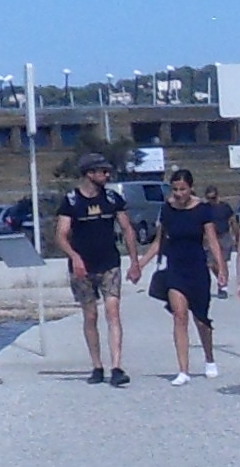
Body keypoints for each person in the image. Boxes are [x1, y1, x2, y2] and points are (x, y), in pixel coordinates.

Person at [55, 153, 142, 385]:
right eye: (102, 171)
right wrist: (74, 257)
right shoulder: (72, 201)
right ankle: (97, 365)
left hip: (109, 263)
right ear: (89, 174)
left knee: (113, 311)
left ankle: (117, 366)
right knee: (90, 314)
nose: (106, 175)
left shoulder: (112, 199)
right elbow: (61, 235)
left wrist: (135, 262)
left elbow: (127, 229)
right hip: (82, 267)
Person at [149, 169, 227, 384]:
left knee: (201, 319)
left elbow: (212, 240)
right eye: (175, 189)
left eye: (182, 189)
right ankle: (183, 370)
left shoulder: (202, 210)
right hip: (175, 267)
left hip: (197, 268)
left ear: (191, 188)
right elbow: (158, 241)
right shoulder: (167, 209)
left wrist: (221, 268)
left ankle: (209, 358)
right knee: (179, 315)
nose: (178, 193)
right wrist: (139, 264)